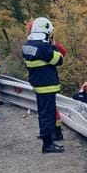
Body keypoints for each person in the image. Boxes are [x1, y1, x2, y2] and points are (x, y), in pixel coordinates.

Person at [22, 17, 65, 153]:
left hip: (38, 83)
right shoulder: (43, 46)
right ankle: (48, 144)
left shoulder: (28, 44)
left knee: (43, 113)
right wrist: (53, 47)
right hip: (47, 85)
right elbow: (59, 60)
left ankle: (48, 140)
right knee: (48, 115)